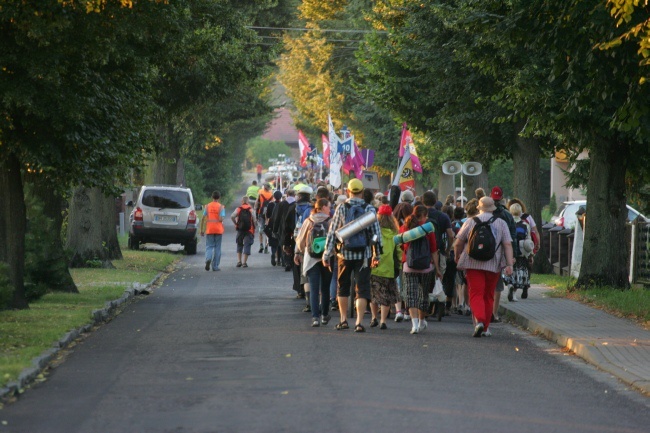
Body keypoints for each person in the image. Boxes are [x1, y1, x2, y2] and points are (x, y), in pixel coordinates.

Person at [322, 178, 382, 333]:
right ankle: (359, 322)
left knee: (343, 287)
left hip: (344, 254)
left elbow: (332, 232)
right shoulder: (370, 208)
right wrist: (377, 255)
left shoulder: (341, 208)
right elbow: (376, 234)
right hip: (364, 255)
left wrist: (327, 254)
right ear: (362, 192)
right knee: (362, 289)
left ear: (348, 191)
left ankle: (343, 320)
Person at [454, 197, 514, 337]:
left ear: (479, 208)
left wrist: (457, 257)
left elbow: (458, 242)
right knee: (488, 295)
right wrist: (509, 264)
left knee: (476, 293)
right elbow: (507, 244)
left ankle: (479, 321)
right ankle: (486, 327)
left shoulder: (470, 221)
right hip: (494, 264)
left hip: (472, 263)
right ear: (493, 208)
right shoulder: (501, 223)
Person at [399, 205, 442, 334]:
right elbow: (434, 251)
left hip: (409, 266)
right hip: (426, 267)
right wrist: (438, 269)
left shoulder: (406, 226)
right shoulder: (428, 229)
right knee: (423, 295)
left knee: (410, 295)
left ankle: (415, 324)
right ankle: (422, 320)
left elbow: (401, 244)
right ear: (424, 216)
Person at [295, 198, 333, 327]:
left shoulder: (308, 221)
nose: (330, 208)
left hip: (311, 259)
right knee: (325, 288)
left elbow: (300, 241)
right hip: (327, 258)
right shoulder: (330, 221)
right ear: (322, 207)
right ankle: (324, 315)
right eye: (328, 206)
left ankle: (315, 317)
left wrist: (300, 252)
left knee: (314, 288)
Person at [421, 191, 455, 316]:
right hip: (439, 251)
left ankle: (424, 305)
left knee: (423, 278)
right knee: (439, 278)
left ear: (422, 201)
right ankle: (437, 305)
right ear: (435, 202)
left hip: (422, 252)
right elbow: (451, 235)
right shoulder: (443, 216)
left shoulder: (419, 214)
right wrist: (448, 249)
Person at [369, 205, 402, 330]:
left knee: (374, 294)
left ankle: (373, 318)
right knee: (386, 296)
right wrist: (399, 263)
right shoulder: (395, 233)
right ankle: (383, 321)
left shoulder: (375, 231)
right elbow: (399, 251)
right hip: (389, 268)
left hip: (375, 266)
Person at [489, 186, 517, 322]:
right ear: (502, 198)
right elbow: (512, 237)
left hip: (482, 254)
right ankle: (493, 313)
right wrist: (512, 257)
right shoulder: (507, 215)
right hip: (499, 254)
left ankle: (482, 312)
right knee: (497, 285)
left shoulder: (482, 214)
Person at [506, 203, 535, 301]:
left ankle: (509, 284)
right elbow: (528, 239)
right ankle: (514, 293)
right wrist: (531, 254)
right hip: (521, 251)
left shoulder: (507, 223)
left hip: (509, 251)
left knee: (510, 269)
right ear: (520, 211)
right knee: (518, 271)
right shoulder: (525, 224)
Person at [200, 190, 226, 272]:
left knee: (209, 246)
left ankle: (208, 259)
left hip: (210, 229)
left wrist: (202, 230)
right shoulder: (221, 207)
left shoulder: (207, 206)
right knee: (217, 248)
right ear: (219, 197)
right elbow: (221, 219)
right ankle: (215, 266)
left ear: (212, 197)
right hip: (218, 229)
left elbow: (203, 218)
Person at [231, 196, 256, 268]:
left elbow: (232, 216)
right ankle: (244, 262)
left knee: (239, 244)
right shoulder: (251, 209)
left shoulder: (238, 209)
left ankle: (239, 261)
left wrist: (236, 224)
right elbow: (254, 220)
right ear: (248, 201)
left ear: (242, 201)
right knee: (247, 245)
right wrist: (254, 227)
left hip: (240, 229)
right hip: (249, 230)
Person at [265, 190, 283, 266]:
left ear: (274, 197)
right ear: (281, 196)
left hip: (272, 224)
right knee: (280, 241)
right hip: (280, 225)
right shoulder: (283, 204)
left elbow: (268, 215)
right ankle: (279, 259)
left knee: (273, 241)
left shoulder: (270, 204)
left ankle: (273, 253)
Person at [255, 183, 274, 254]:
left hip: (261, 213)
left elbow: (256, 204)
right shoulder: (271, 194)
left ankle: (261, 245)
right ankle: (266, 247)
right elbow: (273, 204)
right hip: (269, 214)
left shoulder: (260, 192)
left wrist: (256, 214)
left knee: (261, 229)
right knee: (267, 230)